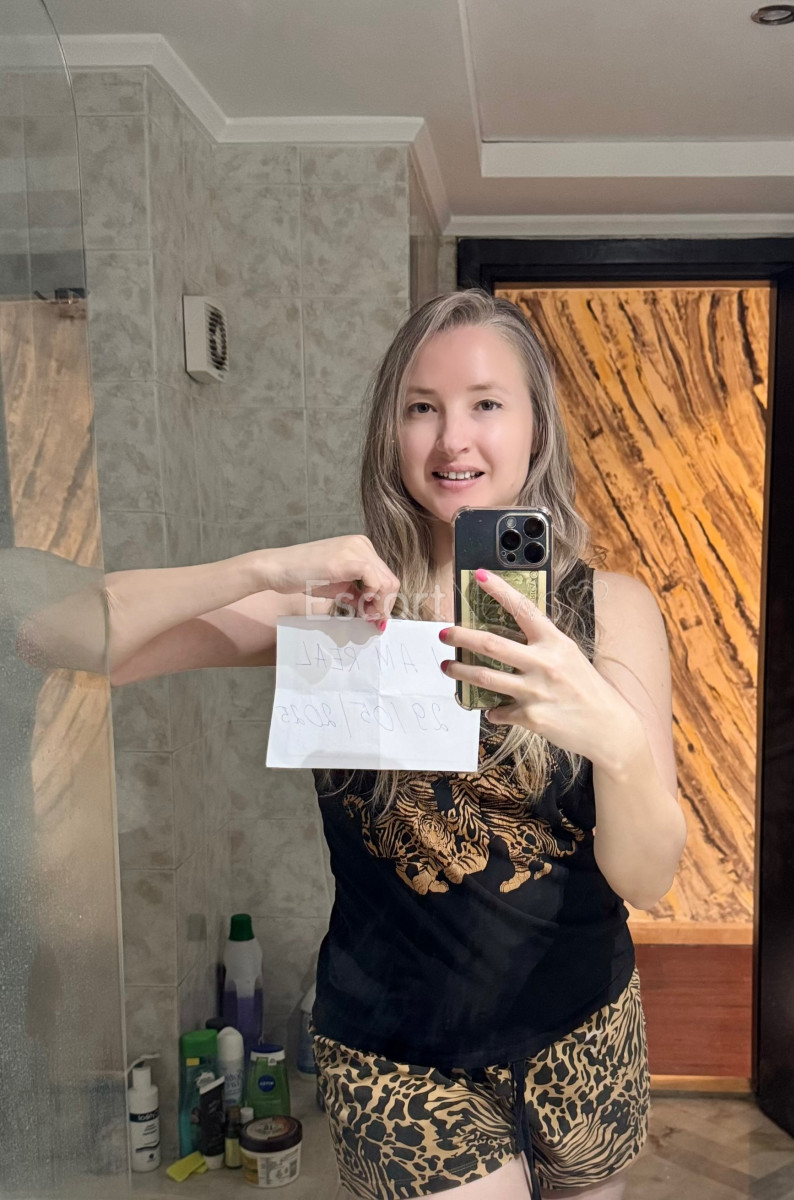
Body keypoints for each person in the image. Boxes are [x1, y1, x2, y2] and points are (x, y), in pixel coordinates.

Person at [104, 290, 686, 1200]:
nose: (453, 439)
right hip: (397, 1056)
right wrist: (261, 570)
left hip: (584, 1028)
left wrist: (614, 740)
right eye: (422, 407)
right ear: (391, 429)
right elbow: (73, 639)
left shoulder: (612, 612)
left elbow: (647, 879)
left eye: (486, 403)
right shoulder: (335, 605)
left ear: (536, 426)